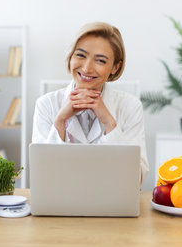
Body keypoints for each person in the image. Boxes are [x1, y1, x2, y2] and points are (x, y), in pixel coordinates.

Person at [32, 22, 149, 185]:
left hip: (112, 206)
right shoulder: (46, 104)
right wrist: (59, 121)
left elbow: (136, 179)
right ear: (71, 56)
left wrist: (109, 122)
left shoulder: (130, 106)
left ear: (115, 67)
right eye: (80, 55)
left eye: (100, 60)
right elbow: (42, 177)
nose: (87, 69)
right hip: (60, 205)